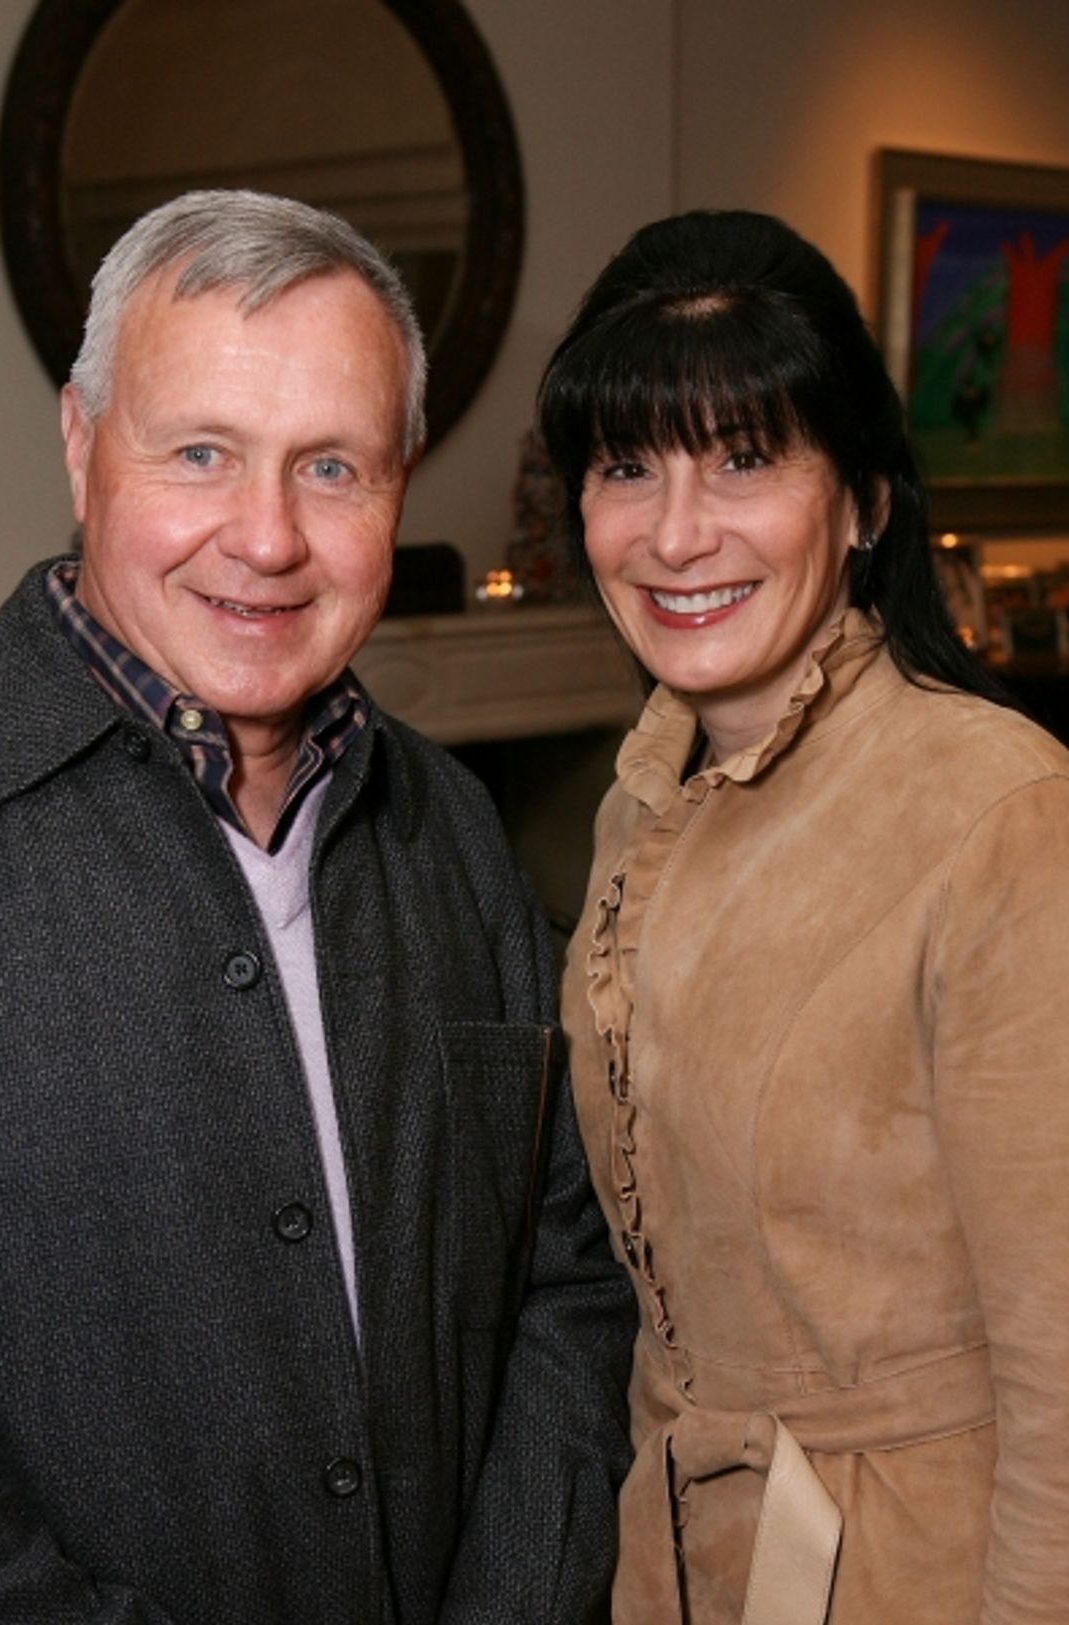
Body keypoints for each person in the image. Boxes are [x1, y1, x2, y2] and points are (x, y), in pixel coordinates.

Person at [0, 190, 635, 1625]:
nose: (269, 538)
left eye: (332, 467)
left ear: (399, 486)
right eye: (202, 452)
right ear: (81, 443)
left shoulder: (456, 829)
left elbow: (570, 1283)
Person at [536, 209, 1069, 1624]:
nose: (676, 533)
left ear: (865, 502)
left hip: (923, 1569)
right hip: (677, 1560)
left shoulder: (1002, 811)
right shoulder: (639, 803)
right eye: (627, 466)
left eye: (746, 457)